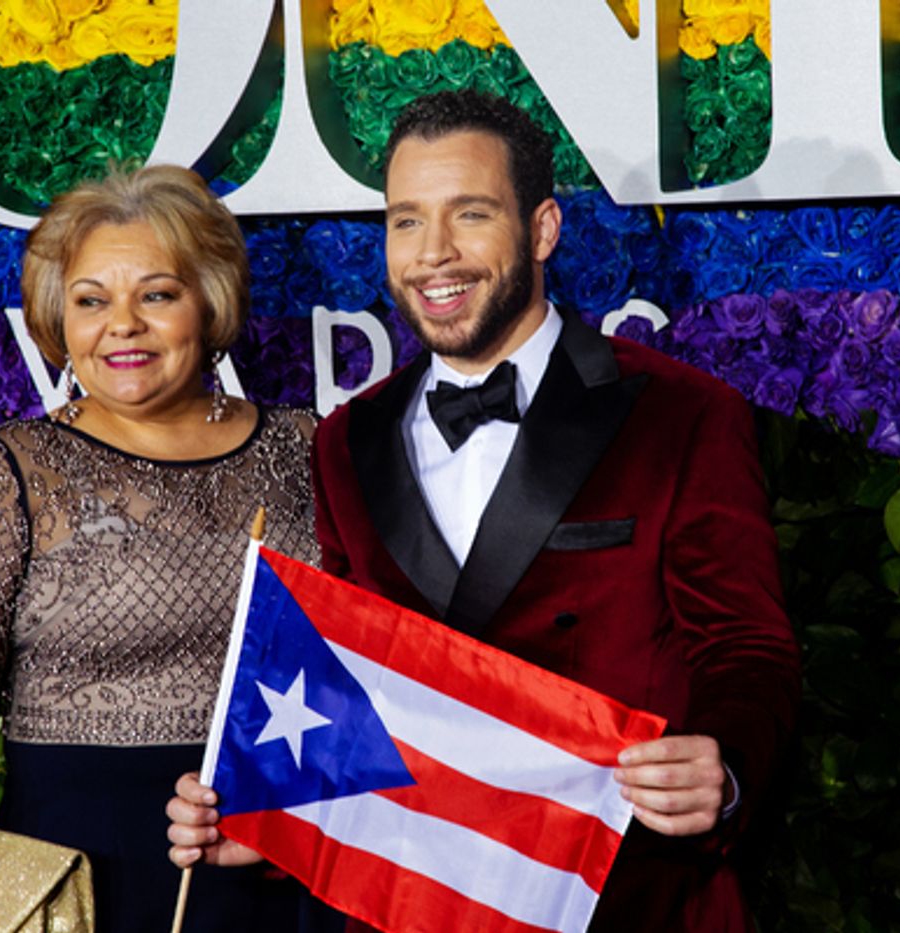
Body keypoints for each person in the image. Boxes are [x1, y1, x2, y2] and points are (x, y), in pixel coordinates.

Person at [167, 90, 800, 931]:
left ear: (541, 230)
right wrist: (282, 820)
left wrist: (726, 773)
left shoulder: (682, 414)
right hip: (416, 900)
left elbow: (747, 649)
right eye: (405, 221)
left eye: (469, 215)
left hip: (629, 895)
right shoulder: (347, 440)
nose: (433, 255)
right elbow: (361, 688)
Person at [0, 164, 317, 933]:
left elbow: (371, 673)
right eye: (91, 301)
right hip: (74, 890)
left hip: (282, 877)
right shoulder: (11, 473)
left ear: (210, 300)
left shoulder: (306, 450)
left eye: (156, 294)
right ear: (60, 319)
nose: (122, 324)